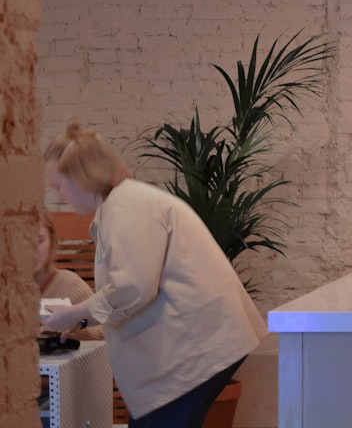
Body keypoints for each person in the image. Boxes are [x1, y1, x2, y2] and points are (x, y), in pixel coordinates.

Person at [39, 118, 267, 428]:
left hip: (196, 349)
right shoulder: (122, 204)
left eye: (59, 186)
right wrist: (79, 315)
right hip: (193, 349)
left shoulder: (126, 207)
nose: (59, 196)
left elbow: (132, 288)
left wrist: (78, 313)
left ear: (80, 177)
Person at [35, 212, 104, 342]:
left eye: (39, 241)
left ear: (52, 242)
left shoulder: (71, 285)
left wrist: (71, 333)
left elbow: (104, 330)